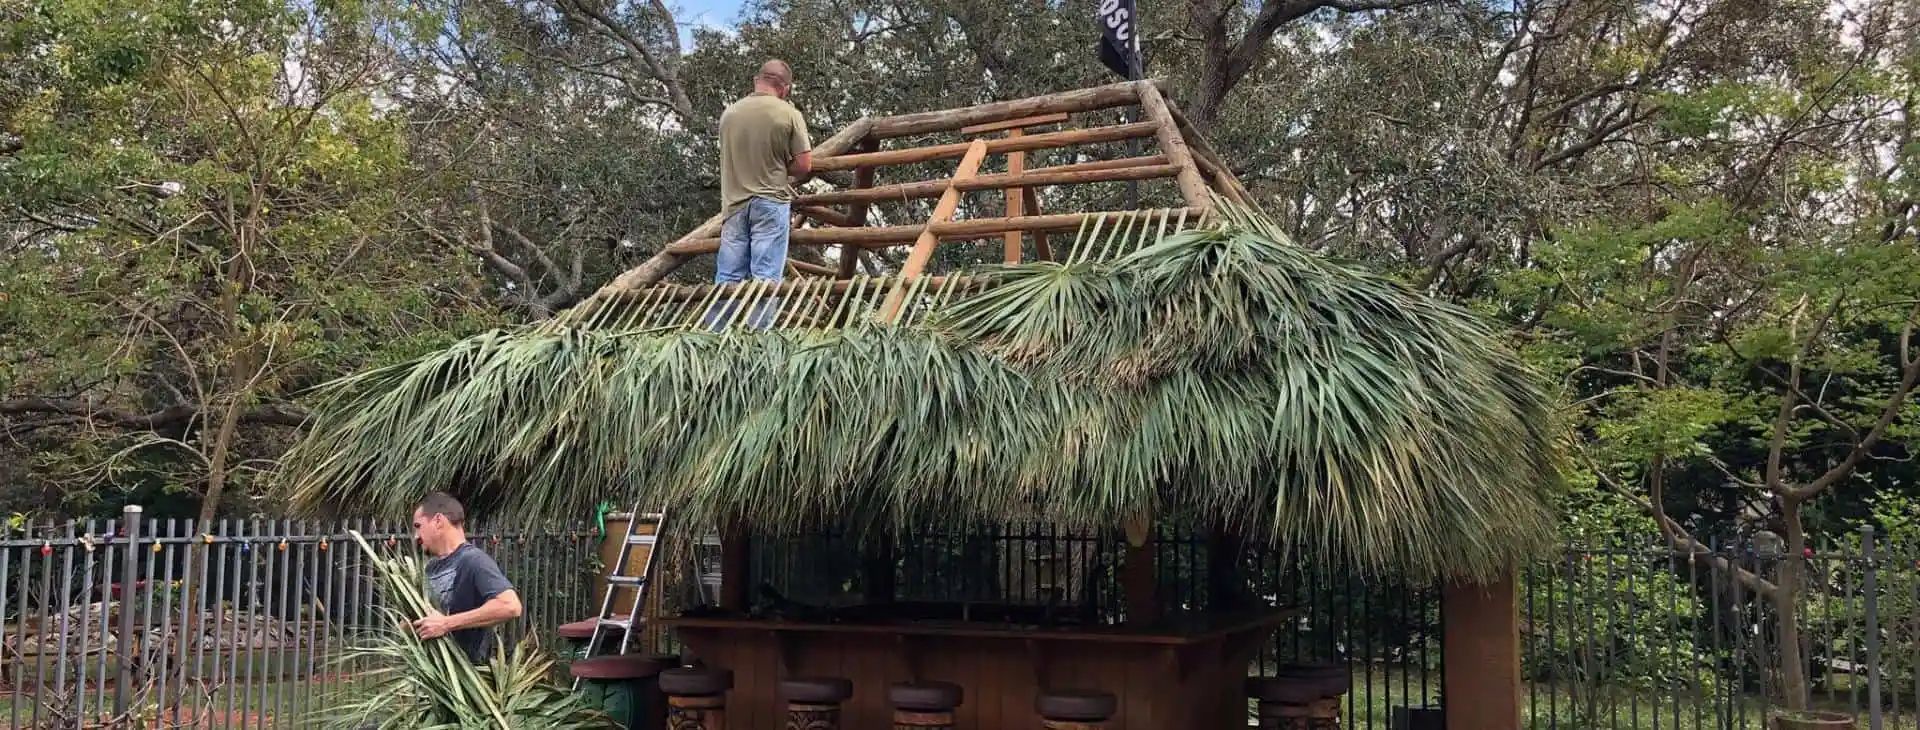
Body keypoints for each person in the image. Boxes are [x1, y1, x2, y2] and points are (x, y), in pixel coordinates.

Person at [715, 59, 812, 286]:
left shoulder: (729, 114)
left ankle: (719, 322)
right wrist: (779, 168)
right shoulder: (788, 113)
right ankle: (761, 323)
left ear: (756, 80)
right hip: (771, 200)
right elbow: (804, 164)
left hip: (733, 205)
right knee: (766, 278)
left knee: (727, 277)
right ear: (785, 88)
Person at [410, 492, 522, 664]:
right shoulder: (430, 568)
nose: (416, 536)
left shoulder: (473, 560)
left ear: (438, 521)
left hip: (465, 680)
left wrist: (446, 624)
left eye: (418, 526)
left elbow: (510, 606)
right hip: (432, 678)